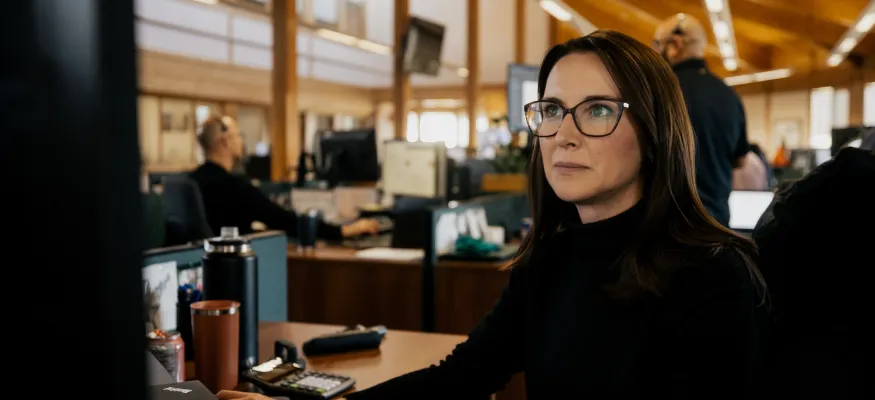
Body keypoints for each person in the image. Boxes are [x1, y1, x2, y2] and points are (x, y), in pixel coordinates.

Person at [344, 30, 770, 399]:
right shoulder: (549, 261)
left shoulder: (714, 276)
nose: (563, 136)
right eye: (551, 110)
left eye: (598, 110)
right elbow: (461, 378)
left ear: (654, 132)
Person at [189, 115, 379, 240]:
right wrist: (344, 231)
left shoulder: (190, 182)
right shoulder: (233, 187)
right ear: (225, 142)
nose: (241, 141)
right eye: (238, 136)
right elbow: (282, 219)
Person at [653, 14, 750, 226]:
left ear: (675, 44)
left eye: (657, 44)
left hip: (667, 227)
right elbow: (741, 160)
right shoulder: (729, 95)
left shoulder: (660, 91)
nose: (656, 52)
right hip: (716, 224)